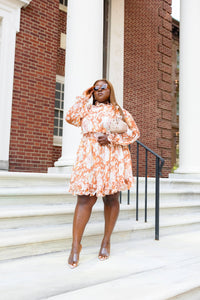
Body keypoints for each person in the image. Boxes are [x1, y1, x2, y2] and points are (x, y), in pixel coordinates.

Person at [65, 79, 140, 268]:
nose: (99, 90)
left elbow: (134, 133)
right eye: (95, 88)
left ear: (110, 91)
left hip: (111, 155)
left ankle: (106, 241)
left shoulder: (119, 111)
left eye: (103, 87)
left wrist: (112, 137)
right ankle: (75, 246)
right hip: (88, 156)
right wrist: (85, 94)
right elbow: (70, 117)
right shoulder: (86, 110)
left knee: (111, 198)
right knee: (84, 199)